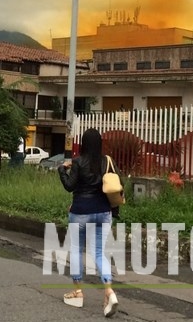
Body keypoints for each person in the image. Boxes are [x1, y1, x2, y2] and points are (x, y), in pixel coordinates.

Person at [58, 128, 118, 318]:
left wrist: (62, 170)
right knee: (99, 253)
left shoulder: (78, 162)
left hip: (81, 212)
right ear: (99, 143)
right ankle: (109, 291)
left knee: (76, 250)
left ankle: (77, 292)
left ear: (83, 143)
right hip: (103, 212)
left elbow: (69, 186)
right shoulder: (106, 161)